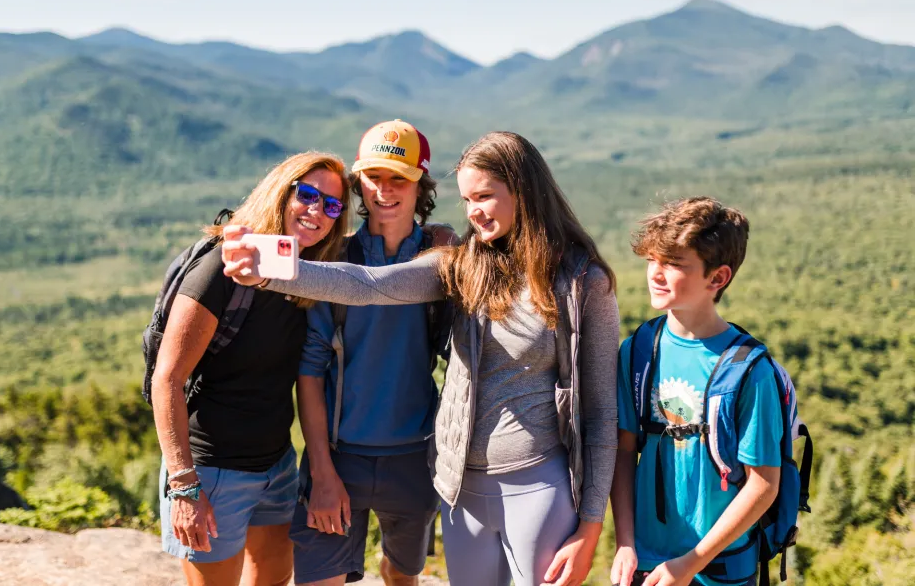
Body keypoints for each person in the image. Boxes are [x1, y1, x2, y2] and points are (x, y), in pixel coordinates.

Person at [222, 131, 620, 586]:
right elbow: (370, 285)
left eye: (485, 196)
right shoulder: (462, 264)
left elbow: (603, 411)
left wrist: (591, 527)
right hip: (459, 488)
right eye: (468, 199)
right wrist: (270, 270)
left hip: (539, 481)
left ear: (525, 191)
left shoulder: (583, 282)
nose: (474, 212)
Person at [151, 151, 351, 586]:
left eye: (332, 205)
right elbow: (166, 378)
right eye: (308, 195)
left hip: (276, 465)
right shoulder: (220, 270)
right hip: (212, 470)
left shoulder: (303, 272)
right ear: (281, 193)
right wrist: (184, 487)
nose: (317, 211)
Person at [290, 120, 456, 585]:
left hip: (415, 457)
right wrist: (321, 470)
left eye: (398, 178)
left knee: (402, 575)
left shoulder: (442, 258)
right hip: (339, 456)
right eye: (373, 177)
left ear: (420, 183)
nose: (384, 190)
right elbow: (310, 371)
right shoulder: (334, 259)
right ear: (358, 182)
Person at [609, 197, 783, 586]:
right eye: (653, 259)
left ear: (717, 278)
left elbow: (763, 484)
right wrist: (625, 543)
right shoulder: (638, 351)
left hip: (718, 570)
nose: (656, 273)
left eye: (674, 263)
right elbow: (623, 450)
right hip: (644, 562)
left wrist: (691, 563)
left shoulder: (750, 370)